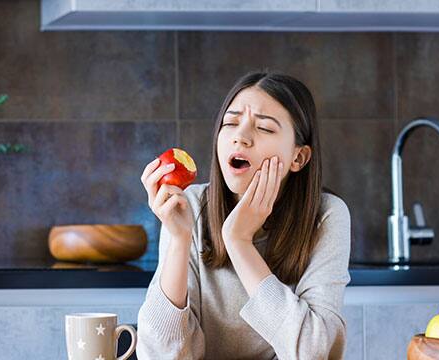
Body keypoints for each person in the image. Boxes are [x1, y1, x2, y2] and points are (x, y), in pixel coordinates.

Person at [137, 71, 351, 359]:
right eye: (231, 123)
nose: (240, 137)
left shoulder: (326, 215)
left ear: (298, 157)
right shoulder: (190, 206)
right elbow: (160, 355)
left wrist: (239, 241)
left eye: (263, 128)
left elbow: (313, 352)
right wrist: (179, 239)